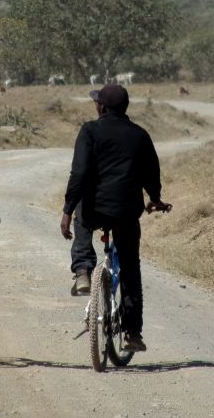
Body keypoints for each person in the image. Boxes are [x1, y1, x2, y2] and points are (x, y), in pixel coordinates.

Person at [61, 83, 172, 352]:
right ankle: (133, 333)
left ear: (102, 107)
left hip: (94, 208)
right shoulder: (140, 135)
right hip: (126, 211)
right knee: (130, 269)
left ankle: (84, 270)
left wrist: (66, 210)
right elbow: (151, 175)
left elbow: (79, 174)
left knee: (81, 214)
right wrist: (155, 200)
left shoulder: (90, 131)